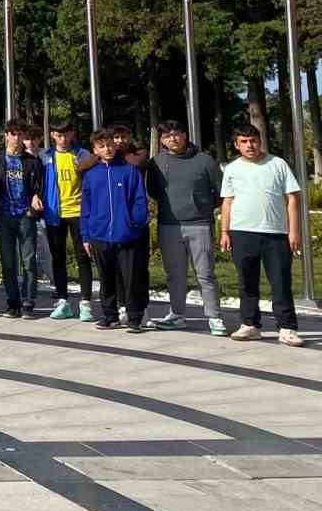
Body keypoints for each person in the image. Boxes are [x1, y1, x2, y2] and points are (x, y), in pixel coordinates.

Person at [221, 124, 305, 346]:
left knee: (280, 281)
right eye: (244, 142)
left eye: (253, 140)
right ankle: (250, 324)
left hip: (276, 233)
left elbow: (293, 198)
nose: (250, 145)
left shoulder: (278, 164)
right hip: (241, 232)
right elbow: (227, 201)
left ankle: (287, 327)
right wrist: (224, 231)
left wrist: (294, 231)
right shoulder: (231, 168)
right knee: (246, 281)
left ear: (260, 140)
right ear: (237, 144)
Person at [147, 119, 225, 336]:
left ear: (185, 135)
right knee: (174, 274)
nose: (173, 138)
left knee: (206, 274)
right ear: (162, 140)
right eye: (167, 135)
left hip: (199, 225)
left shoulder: (205, 161)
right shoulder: (157, 162)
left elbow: (220, 191)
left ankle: (214, 317)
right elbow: (153, 190)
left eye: (177, 133)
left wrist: (203, 207)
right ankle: (177, 314)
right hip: (169, 225)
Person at [81, 129, 152, 333]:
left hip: (127, 235)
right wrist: (86, 235)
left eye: (110, 145)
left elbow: (139, 200)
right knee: (106, 278)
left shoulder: (130, 171)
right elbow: (86, 206)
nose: (107, 149)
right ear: (95, 150)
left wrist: (135, 223)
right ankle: (109, 315)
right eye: (102, 146)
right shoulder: (91, 175)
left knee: (132, 278)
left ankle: (135, 317)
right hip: (99, 235)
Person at [43, 121, 98, 321]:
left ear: (72, 134)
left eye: (66, 134)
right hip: (55, 213)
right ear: (52, 135)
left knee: (83, 257)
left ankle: (85, 303)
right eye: (58, 135)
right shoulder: (46, 156)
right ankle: (63, 301)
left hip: (79, 212)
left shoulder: (83, 155)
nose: (63, 138)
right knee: (57, 259)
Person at [0, 120, 42, 319]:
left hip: (25, 216)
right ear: (6, 136)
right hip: (3, 216)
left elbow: (39, 186)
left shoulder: (32, 161)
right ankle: (13, 301)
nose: (17, 138)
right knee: (8, 262)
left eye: (20, 134)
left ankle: (29, 300)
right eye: (13, 134)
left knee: (29, 260)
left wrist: (36, 198)